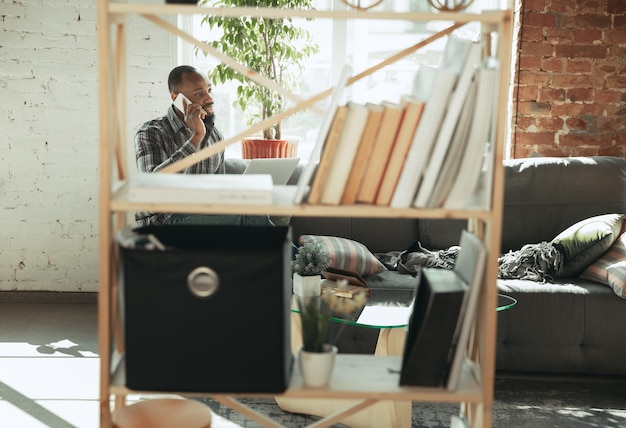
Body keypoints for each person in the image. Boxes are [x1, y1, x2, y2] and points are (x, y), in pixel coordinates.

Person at [134, 65, 273, 227]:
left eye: (209, 90)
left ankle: (304, 251)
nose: (209, 98)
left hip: (202, 220)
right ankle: (303, 252)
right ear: (177, 99)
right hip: (162, 223)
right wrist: (195, 139)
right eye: (200, 94)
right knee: (251, 219)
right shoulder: (151, 132)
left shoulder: (215, 136)